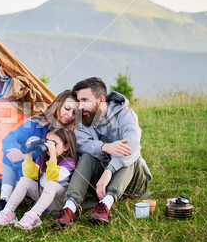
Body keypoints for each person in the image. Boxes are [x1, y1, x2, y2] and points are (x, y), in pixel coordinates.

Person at [51, 77, 152, 227]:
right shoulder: (84, 120)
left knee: (129, 154)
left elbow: (133, 145)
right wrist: (104, 147)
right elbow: (81, 144)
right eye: (79, 100)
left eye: (85, 100)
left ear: (101, 99)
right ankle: (70, 208)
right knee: (86, 156)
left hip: (132, 183)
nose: (81, 106)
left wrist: (110, 170)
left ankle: (105, 205)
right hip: (99, 184)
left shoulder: (125, 115)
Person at [0, 90, 79, 220]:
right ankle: (4, 200)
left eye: (75, 112)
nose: (69, 115)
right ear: (58, 104)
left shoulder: (72, 134)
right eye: (67, 108)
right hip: (30, 173)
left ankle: (28, 203)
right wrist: (21, 152)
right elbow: (10, 138)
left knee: (31, 149)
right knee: (10, 151)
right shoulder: (37, 122)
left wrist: (32, 153)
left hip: (53, 180)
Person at [0, 127, 77, 229]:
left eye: (54, 143)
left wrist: (53, 157)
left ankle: (34, 215)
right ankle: (8, 212)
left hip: (58, 203)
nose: (49, 146)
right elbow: (30, 175)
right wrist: (28, 155)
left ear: (66, 147)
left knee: (52, 184)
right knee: (25, 180)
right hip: (43, 198)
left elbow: (53, 177)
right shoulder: (43, 158)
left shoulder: (69, 162)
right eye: (47, 142)